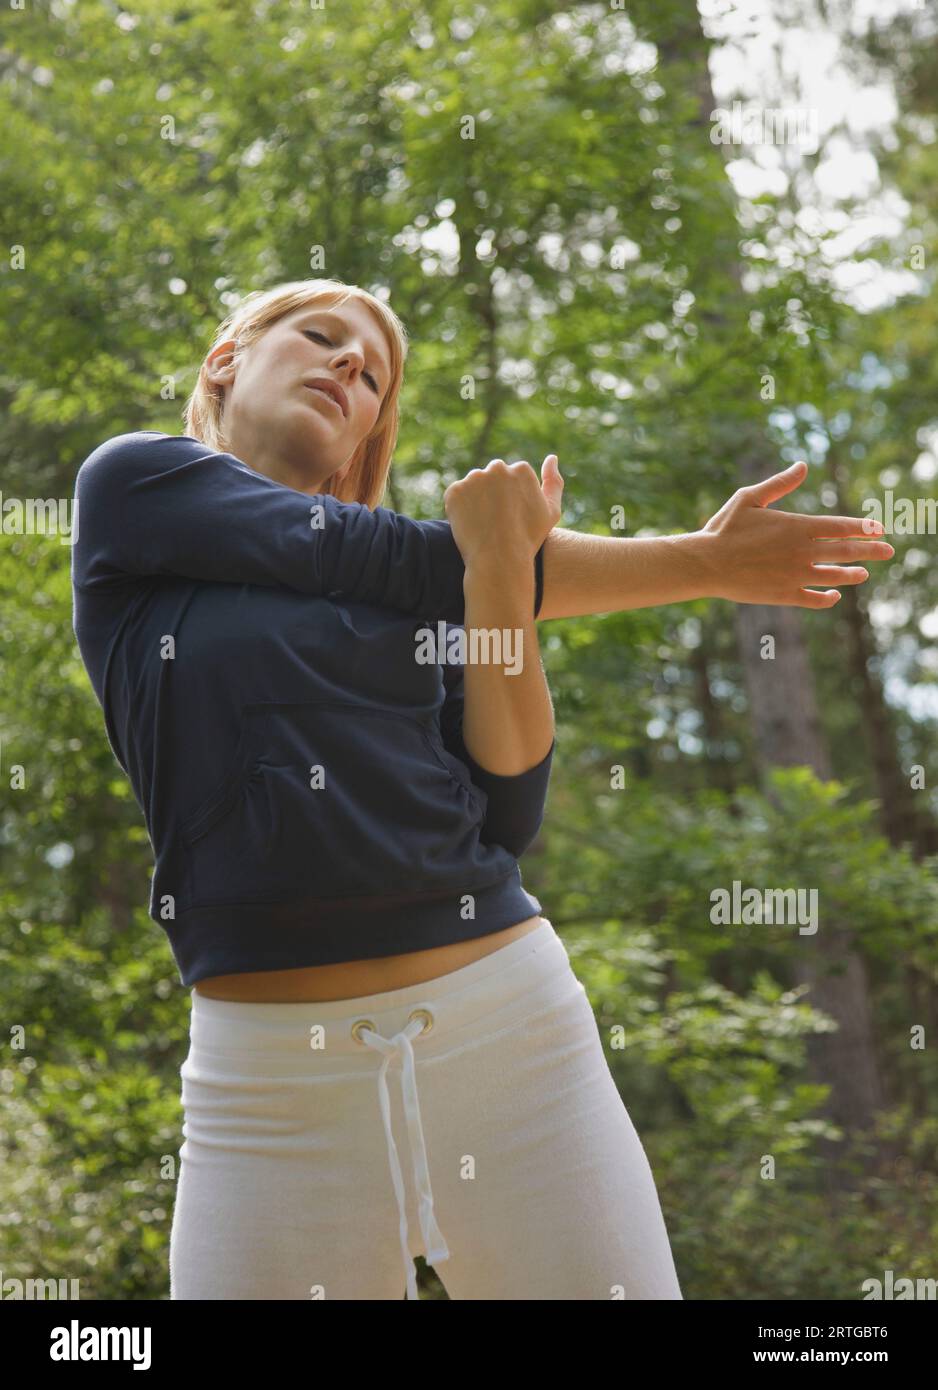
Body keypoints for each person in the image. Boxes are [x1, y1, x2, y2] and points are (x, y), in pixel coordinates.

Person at [70, 277, 892, 1300]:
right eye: (322, 338)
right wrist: (696, 559)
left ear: (369, 427)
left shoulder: (422, 589)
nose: (346, 368)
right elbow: (391, 553)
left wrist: (501, 581)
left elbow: (507, 803)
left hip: (511, 1036)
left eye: (370, 376)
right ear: (226, 360)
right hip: (265, 1082)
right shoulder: (137, 490)